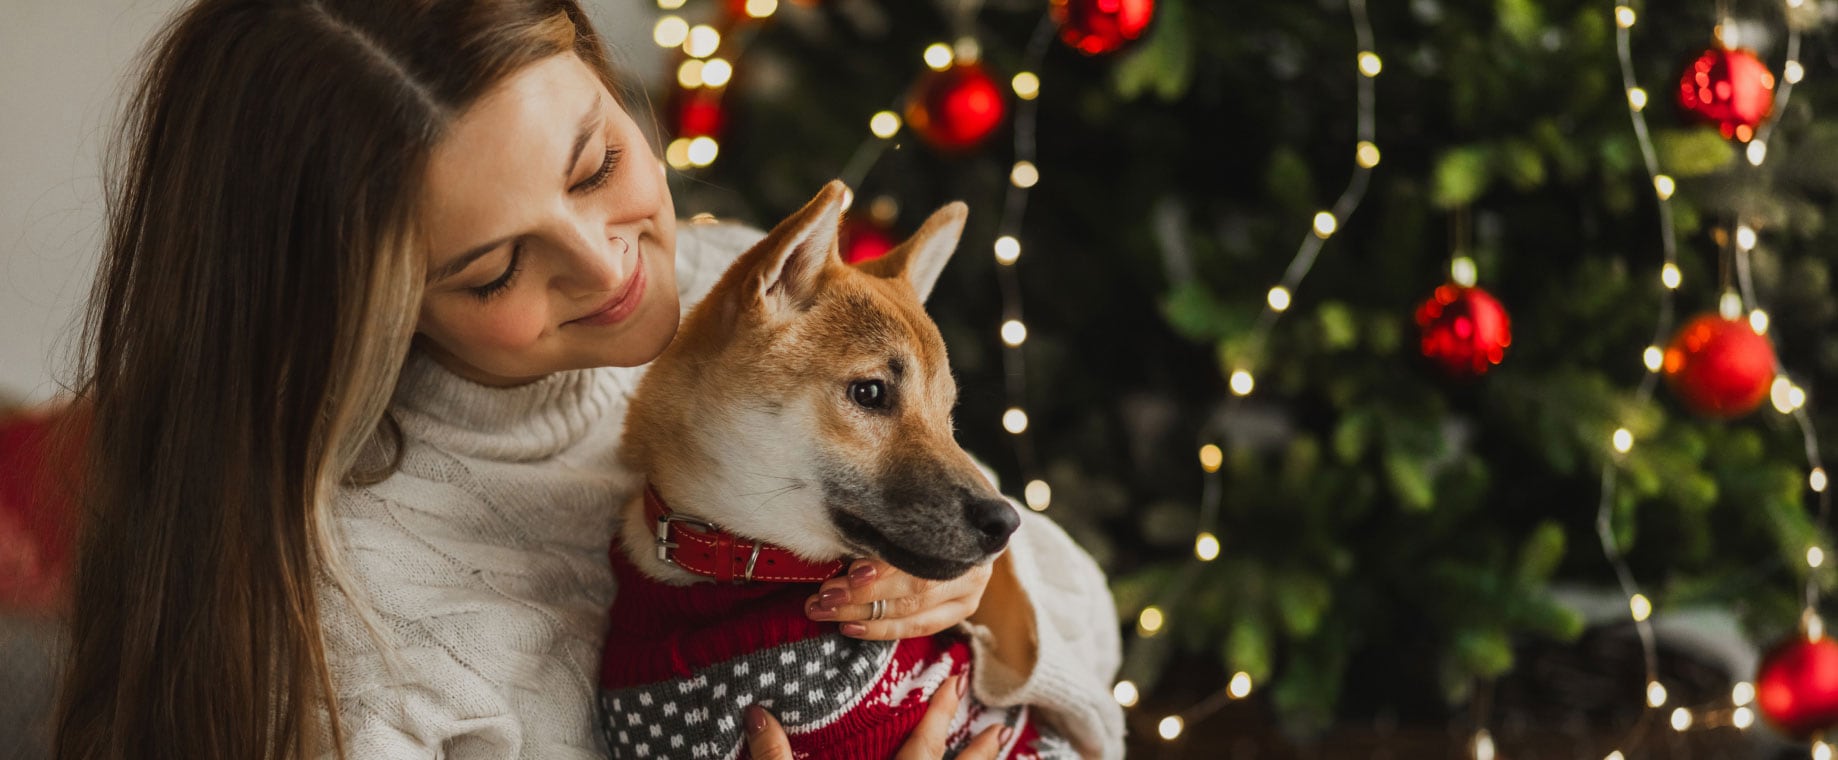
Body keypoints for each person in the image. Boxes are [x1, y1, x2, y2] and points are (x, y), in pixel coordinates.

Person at [51, 1, 1124, 758]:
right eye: (495, 266)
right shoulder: (347, 625)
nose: (610, 266)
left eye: (598, 164)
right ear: (350, 311)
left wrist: (984, 599)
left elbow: (1082, 613)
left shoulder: (731, 287)